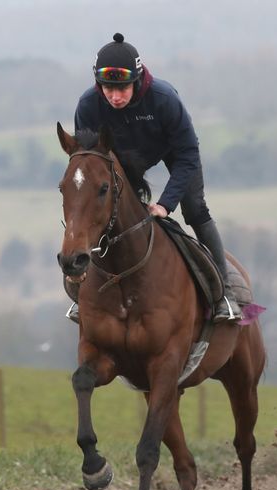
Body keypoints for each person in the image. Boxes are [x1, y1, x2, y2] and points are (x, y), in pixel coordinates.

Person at [67, 33, 240, 323]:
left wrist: (165, 204)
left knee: (196, 210)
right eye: (108, 88)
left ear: (136, 81)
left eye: (121, 88)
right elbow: (88, 162)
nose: (115, 96)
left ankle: (225, 294)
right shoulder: (87, 106)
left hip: (174, 152)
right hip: (121, 161)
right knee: (104, 210)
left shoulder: (164, 100)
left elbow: (187, 155)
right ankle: (86, 290)